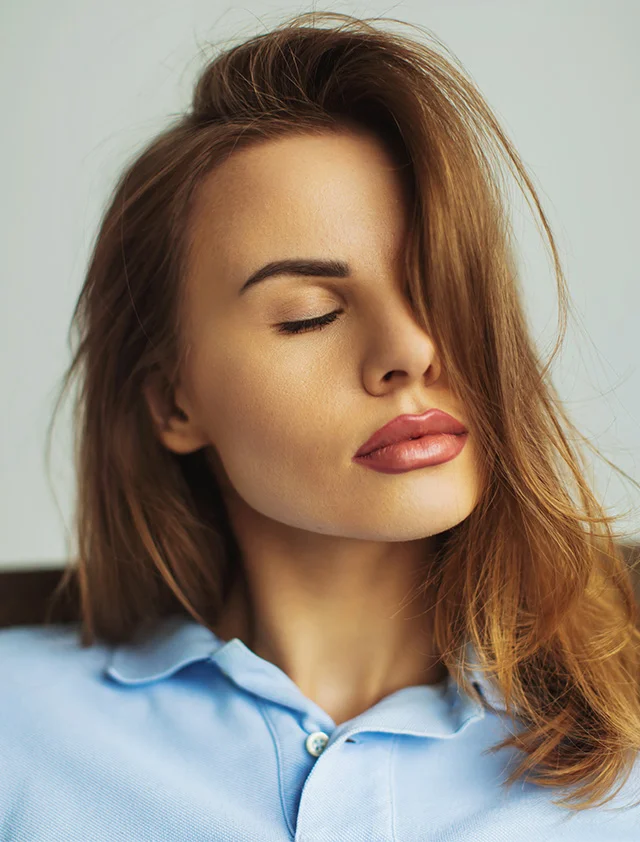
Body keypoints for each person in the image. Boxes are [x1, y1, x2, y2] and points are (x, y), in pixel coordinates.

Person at [2, 10, 639, 841]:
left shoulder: (621, 749)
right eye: (309, 315)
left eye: (440, 287)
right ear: (173, 403)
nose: (411, 350)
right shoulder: (18, 728)